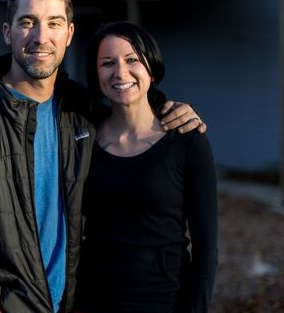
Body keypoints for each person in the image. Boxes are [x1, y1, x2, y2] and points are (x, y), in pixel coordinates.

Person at [0, 0, 206, 313]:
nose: (41, 37)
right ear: (8, 32)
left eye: (54, 23)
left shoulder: (82, 109)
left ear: (69, 34)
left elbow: (131, 108)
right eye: (28, 22)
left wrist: (171, 109)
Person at [75, 22, 217, 313]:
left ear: (151, 69)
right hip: (93, 300)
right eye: (107, 63)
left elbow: (206, 248)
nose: (120, 72)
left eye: (132, 60)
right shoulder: (82, 138)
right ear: (96, 75)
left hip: (163, 300)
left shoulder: (186, 140)